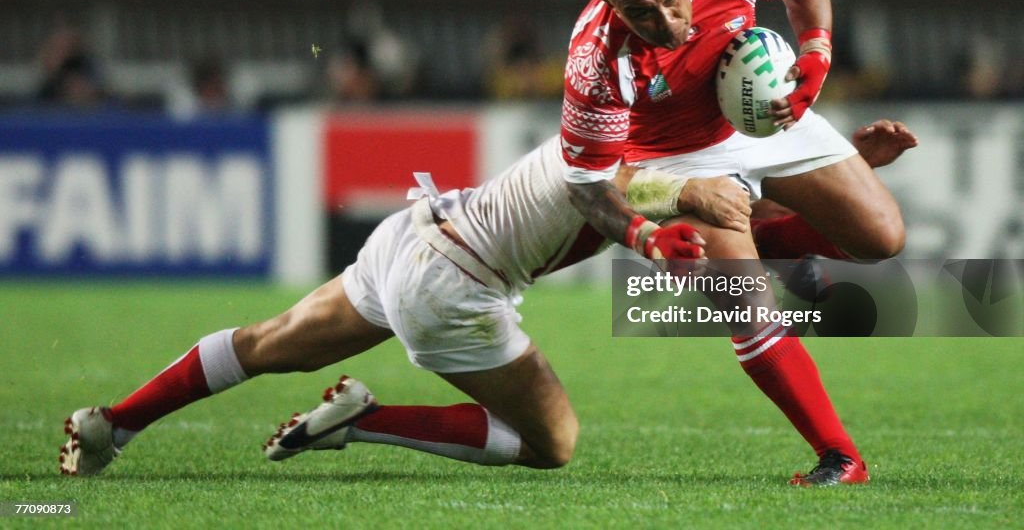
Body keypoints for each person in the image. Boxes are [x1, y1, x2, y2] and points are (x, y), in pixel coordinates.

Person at [58, 119, 913, 480]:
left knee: (267, 340)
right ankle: (367, 420)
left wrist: (839, 186)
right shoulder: (664, 170)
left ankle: (116, 423)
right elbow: (664, 221)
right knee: (555, 443)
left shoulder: (628, 130)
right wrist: (669, 232)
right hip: (454, 287)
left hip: (419, 232)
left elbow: (744, 229)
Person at [559, 0, 911, 485]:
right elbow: (587, 184)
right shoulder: (595, 61)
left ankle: (759, 233)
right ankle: (841, 457)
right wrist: (668, 211)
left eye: (671, 0)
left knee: (882, 238)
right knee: (748, 304)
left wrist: (817, 47)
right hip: (671, 158)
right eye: (641, 14)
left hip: (758, 113)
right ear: (611, 7)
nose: (666, 23)